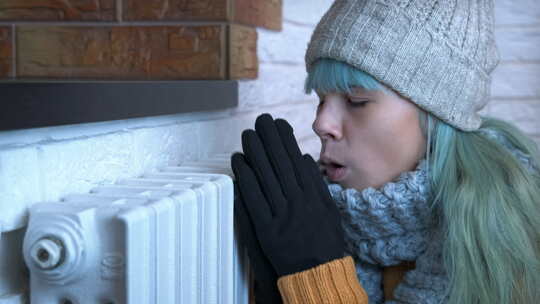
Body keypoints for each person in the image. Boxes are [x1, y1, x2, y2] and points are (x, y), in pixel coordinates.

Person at [231, 0, 540, 303]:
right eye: (322, 100)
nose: (320, 123)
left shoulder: (513, 245)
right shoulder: (319, 219)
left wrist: (318, 279)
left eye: (356, 101)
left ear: (437, 118)